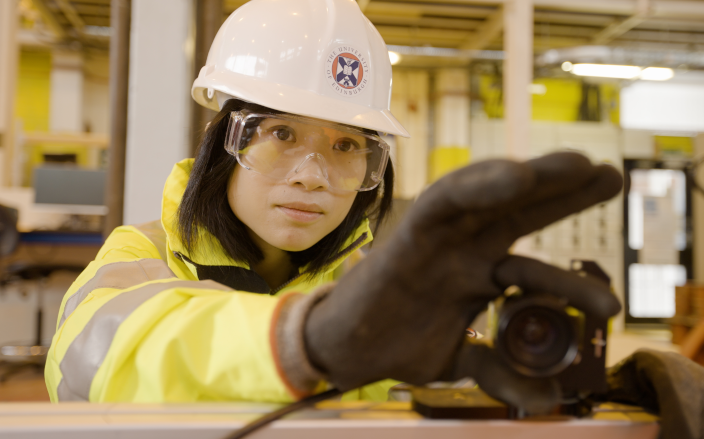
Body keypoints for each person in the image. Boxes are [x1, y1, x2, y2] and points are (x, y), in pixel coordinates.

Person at [45, 1, 704, 438]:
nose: (313, 173)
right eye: (279, 133)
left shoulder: (378, 290)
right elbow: (89, 361)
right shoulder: (144, 256)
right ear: (226, 140)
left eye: (346, 146)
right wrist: (315, 337)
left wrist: (586, 382)